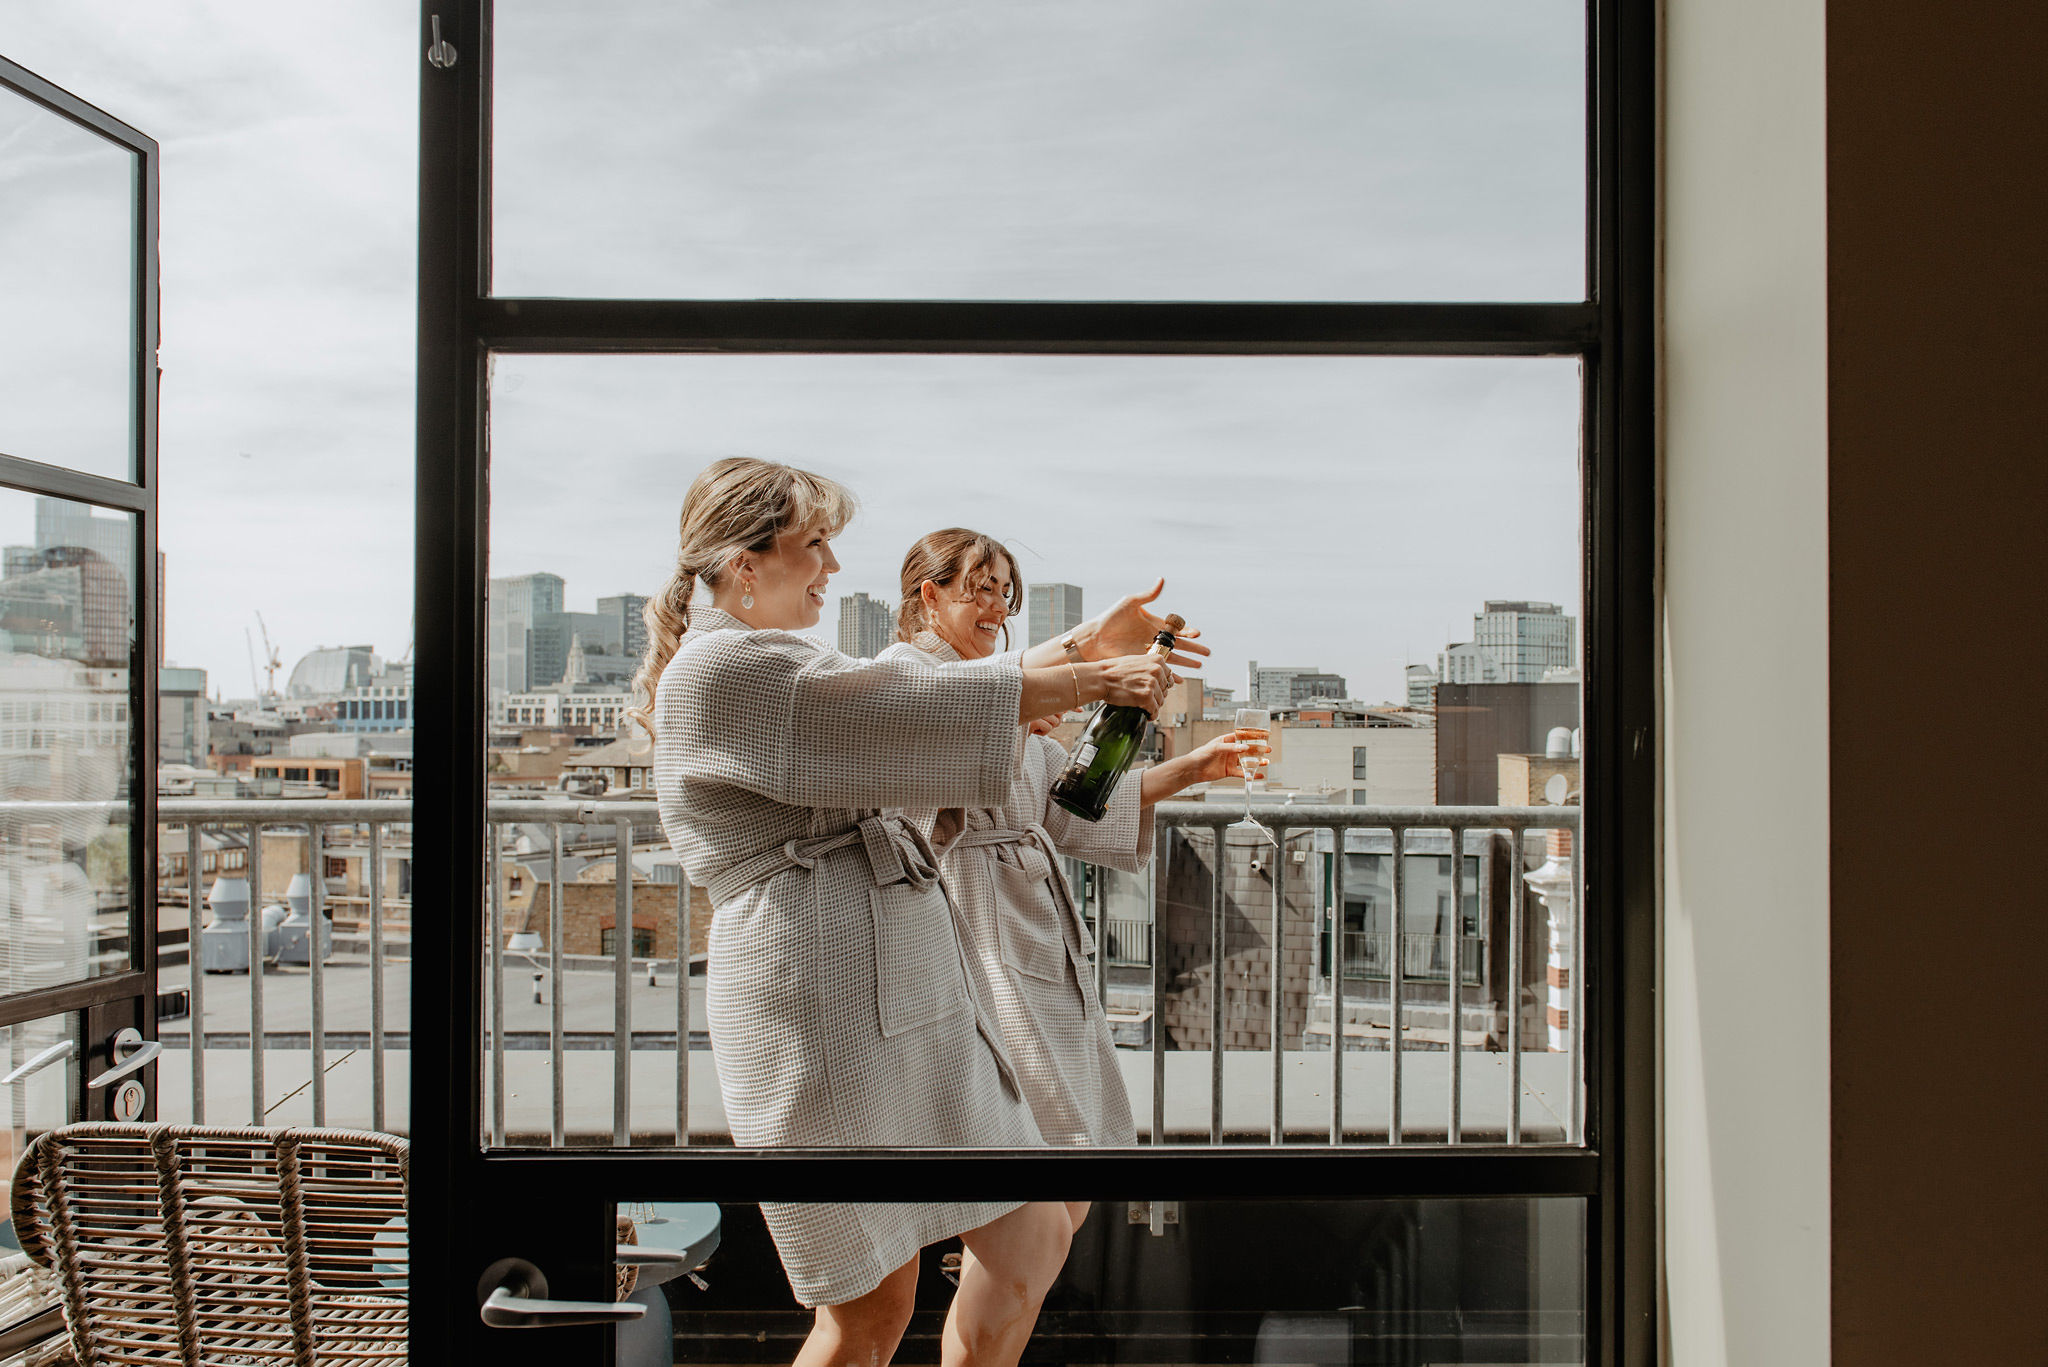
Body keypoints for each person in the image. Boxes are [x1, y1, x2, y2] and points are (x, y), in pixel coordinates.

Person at [636, 459, 1181, 1367]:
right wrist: (1089, 668)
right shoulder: (721, 672)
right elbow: (910, 711)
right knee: (870, 1313)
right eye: (813, 545)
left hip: (914, 1008)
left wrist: (1085, 648)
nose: (831, 566)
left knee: (1031, 1234)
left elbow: (924, 713)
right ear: (742, 561)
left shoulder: (791, 662)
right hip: (818, 1014)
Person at [881, 529, 1260, 1226]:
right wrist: (1026, 709)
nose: (995, 606)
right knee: (1044, 1173)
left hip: (1032, 932)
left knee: (1063, 1173)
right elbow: (917, 792)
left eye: (1004, 592)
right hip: (971, 931)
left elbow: (1068, 809)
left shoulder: (1010, 690)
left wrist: (1198, 768)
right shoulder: (910, 672)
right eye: (979, 589)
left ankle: (992, 1300)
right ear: (928, 596)